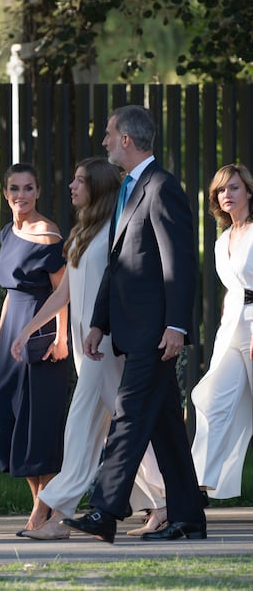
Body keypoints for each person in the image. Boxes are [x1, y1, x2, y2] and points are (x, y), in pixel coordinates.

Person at [61, 105, 207, 543]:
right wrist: (98, 324)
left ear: (126, 139)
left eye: (108, 134)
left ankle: (105, 510)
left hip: (155, 332)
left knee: (126, 417)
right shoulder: (129, 187)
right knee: (165, 429)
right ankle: (188, 518)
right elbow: (118, 265)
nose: (104, 141)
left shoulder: (161, 187)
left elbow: (179, 263)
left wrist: (177, 325)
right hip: (131, 331)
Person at [10, 156, 167, 540]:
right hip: (86, 346)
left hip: (108, 344)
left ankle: (58, 512)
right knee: (125, 425)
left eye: (79, 181)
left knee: (82, 423)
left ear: (96, 186)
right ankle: (165, 501)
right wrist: (29, 329)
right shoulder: (81, 234)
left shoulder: (115, 230)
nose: (72, 186)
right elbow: (63, 291)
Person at [0, 162, 69, 531]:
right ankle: (40, 503)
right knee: (2, 419)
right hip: (12, 335)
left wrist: (61, 337)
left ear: (37, 192)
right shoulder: (7, 233)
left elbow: (63, 292)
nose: (21, 195)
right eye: (14, 189)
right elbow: (8, 294)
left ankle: (42, 510)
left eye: (28, 188)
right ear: (6, 194)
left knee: (38, 424)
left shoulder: (49, 234)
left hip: (41, 331)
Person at [191, 163, 253, 500]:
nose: (226, 194)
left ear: (248, 192)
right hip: (231, 328)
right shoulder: (223, 239)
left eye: (234, 188)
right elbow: (231, 290)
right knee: (212, 400)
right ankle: (197, 487)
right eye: (221, 190)